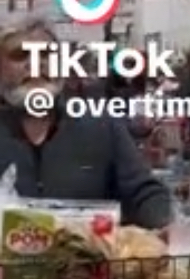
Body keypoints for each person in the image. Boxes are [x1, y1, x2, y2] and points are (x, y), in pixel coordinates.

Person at [0, 27, 171, 227]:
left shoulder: (103, 126)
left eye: (46, 54)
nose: (35, 64)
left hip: (90, 254)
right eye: (21, 56)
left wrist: (166, 224)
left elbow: (145, 192)